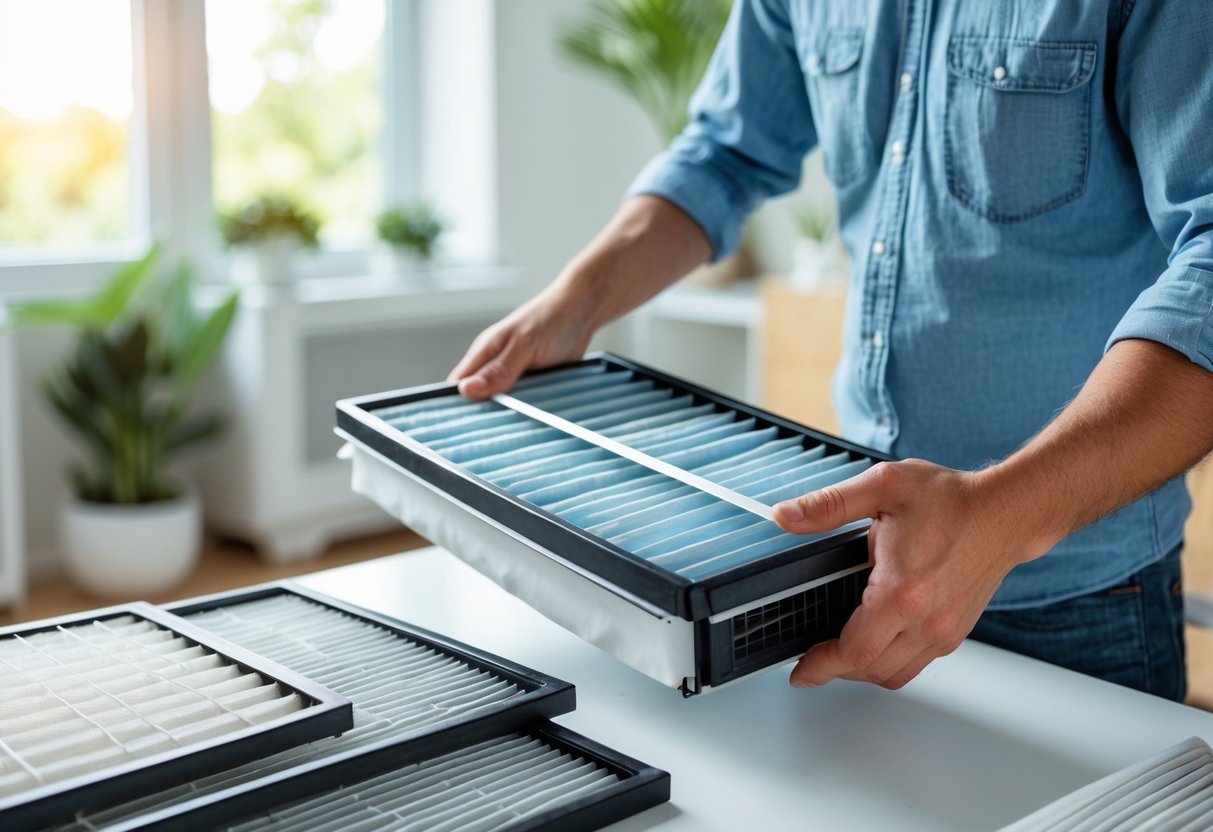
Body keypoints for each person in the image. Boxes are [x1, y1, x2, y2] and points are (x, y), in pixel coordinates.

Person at [449, 0, 1213, 701]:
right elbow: (723, 152)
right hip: (860, 570)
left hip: (1078, 600)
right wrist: (572, 303)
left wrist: (997, 518)